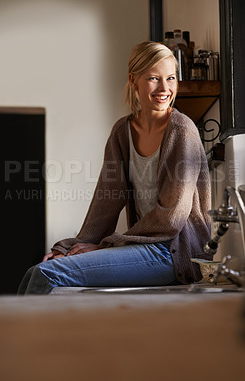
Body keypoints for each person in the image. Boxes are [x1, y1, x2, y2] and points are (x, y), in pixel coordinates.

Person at [18, 41, 212, 295]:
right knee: (38, 269)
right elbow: (106, 201)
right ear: (134, 81)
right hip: (144, 248)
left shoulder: (182, 131)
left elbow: (171, 217)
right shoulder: (123, 132)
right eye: (154, 78)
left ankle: (24, 336)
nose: (165, 88)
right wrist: (73, 246)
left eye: (171, 78)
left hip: (176, 254)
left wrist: (107, 245)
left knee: (48, 274)